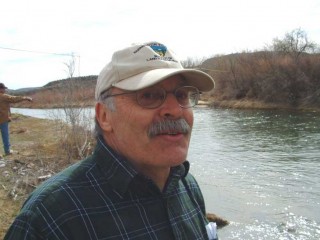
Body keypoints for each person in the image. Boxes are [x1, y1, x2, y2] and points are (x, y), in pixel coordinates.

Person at [5, 42, 217, 240]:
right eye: (150, 95)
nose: (174, 110)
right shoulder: (49, 217)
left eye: (182, 96)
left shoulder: (187, 185)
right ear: (104, 115)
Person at [0, 83, 32, 156]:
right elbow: (14, 99)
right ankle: (7, 151)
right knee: (5, 135)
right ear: (0, 89)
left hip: (3, 119)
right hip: (3, 119)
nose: (5, 90)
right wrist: (25, 98)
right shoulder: (3, 96)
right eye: (4, 88)